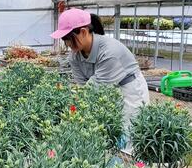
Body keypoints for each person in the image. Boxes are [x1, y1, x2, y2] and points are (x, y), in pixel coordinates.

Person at [51, 8, 149, 147]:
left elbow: (94, 89)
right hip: (106, 92)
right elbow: (82, 87)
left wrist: (72, 110)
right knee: (107, 133)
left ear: (83, 32)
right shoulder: (74, 56)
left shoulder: (110, 52)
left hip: (130, 92)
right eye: (64, 39)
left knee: (129, 134)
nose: (67, 44)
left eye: (68, 38)